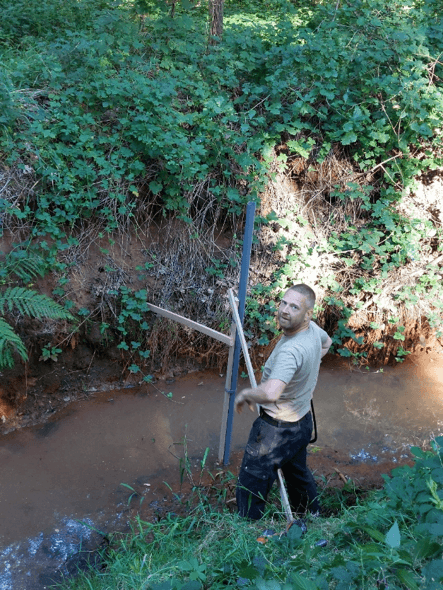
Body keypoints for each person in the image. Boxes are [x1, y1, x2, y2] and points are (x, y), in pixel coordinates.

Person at [235, 283, 332, 520]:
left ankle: (248, 530)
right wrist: (305, 371)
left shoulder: (291, 351)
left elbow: (270, 393)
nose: (284, 310)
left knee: (252, 478)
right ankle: (312, 515)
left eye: (294, 307)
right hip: (302, 421)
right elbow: (327, 343)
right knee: (297, 473)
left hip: (276, 429)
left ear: (308, 314)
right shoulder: (313, 331)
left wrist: (246, 394)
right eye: (283, 303)